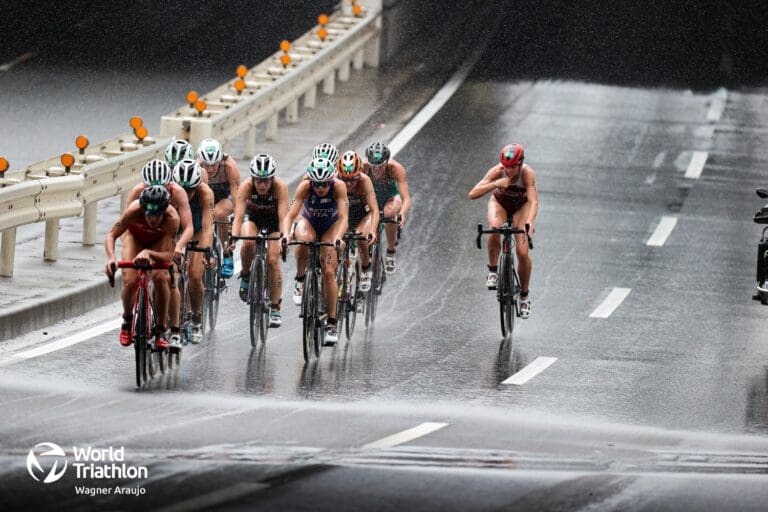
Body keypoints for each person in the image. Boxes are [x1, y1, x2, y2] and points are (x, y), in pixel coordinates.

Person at [282, 157, 349, 344]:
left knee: (328, 272)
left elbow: (344, 218)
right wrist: (286, 235)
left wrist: (339, 237)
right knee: (303, 240)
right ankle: (301, 279)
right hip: (310, 222)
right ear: (311, 181)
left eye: (324, 184)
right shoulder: (304, 187)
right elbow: (290, 215)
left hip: (331, 226)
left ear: (331, 181)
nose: (320, 188)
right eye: (317, 184)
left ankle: (332, 323)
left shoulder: (339, 187)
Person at [127, 159, 194, 342]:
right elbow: (127, 226)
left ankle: (172, 329)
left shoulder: (178, 193)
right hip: (146, 233)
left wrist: (179, 247)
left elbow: (188, 227)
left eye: (162, 187)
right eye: (149, 186)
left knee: (166, 276)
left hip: (170, 235)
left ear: (169, 183)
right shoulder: (136, 192)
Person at [468, 143, 538, 318]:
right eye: (505, 167)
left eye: (512, 167)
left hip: (521, 208)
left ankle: (524, 296)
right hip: (500, 204)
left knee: (522, 253)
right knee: (494, 228)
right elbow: (472, 194)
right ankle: (493, 271)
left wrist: (530, 222)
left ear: (520, 165)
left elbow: (533, 201)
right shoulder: (497, 171)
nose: (508, 171)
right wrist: (494, 184)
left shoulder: (527, 174)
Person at [104, 186, 180, 349]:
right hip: (135, 238)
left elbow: (168, 255)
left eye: (158, 215)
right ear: (143, 209)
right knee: (130, 281)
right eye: (149, 214)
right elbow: (111, 235)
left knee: (160, 278)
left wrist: (148, 253)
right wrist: (111, 258)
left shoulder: (172, 218)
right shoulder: (133, 211)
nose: (153, 220)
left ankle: (160, 329)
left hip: (157, 244)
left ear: (164, 211)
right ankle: (127, 320)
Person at [230, 154, 290, 327]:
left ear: (272, 179)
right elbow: (239, 216)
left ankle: (276, 307)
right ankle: (246, 275)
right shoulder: (245, 187)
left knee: (272, 259)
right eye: (258, 181)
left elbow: (283, 217)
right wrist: (233, 238)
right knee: (248, 241)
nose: (262, 185)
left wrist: (284, 237)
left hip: (273, 221)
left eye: (266, 181)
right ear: (252, 178)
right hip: (253, 217)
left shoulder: (280, 187)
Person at [171, 159, 215, 346]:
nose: (187, 194)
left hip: (197, 230)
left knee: (195, 275)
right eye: (183, 189)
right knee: (169, 272)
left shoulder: (205, 193)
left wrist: (207, 252)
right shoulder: (170, 191)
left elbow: (207, 228)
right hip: (175, 230)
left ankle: (196, 317)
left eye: (191, 190)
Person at [363, 141, 411, 275]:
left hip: (391, 197)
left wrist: (402, 213)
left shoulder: (395, 168)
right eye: (374, 166)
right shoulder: (364, 168)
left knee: (389, 214)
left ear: (387, 162)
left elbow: (406, 198)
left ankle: (390, 251)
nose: (376, 170)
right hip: (372, 198)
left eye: (380, 166)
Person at [197, 138, 240, 279]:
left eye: (213, 165)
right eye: (206, 165)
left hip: (225, 196)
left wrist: (236, 221)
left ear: (219, 160)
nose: (209, 169)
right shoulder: (197, 167)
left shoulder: (229, 166)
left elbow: (237, 197)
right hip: (206, 195)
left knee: (219, 214)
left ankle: (227, 254)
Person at [336, 150, 379, 291]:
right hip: (344, 215)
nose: (348, 184)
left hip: (363, 214)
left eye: (352, 179)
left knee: (362, 238)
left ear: (359, 175)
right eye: (344, 179)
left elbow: (374, 209)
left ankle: (366, 268)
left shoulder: (365, 181)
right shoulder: (334, 181)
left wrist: (372, 230)